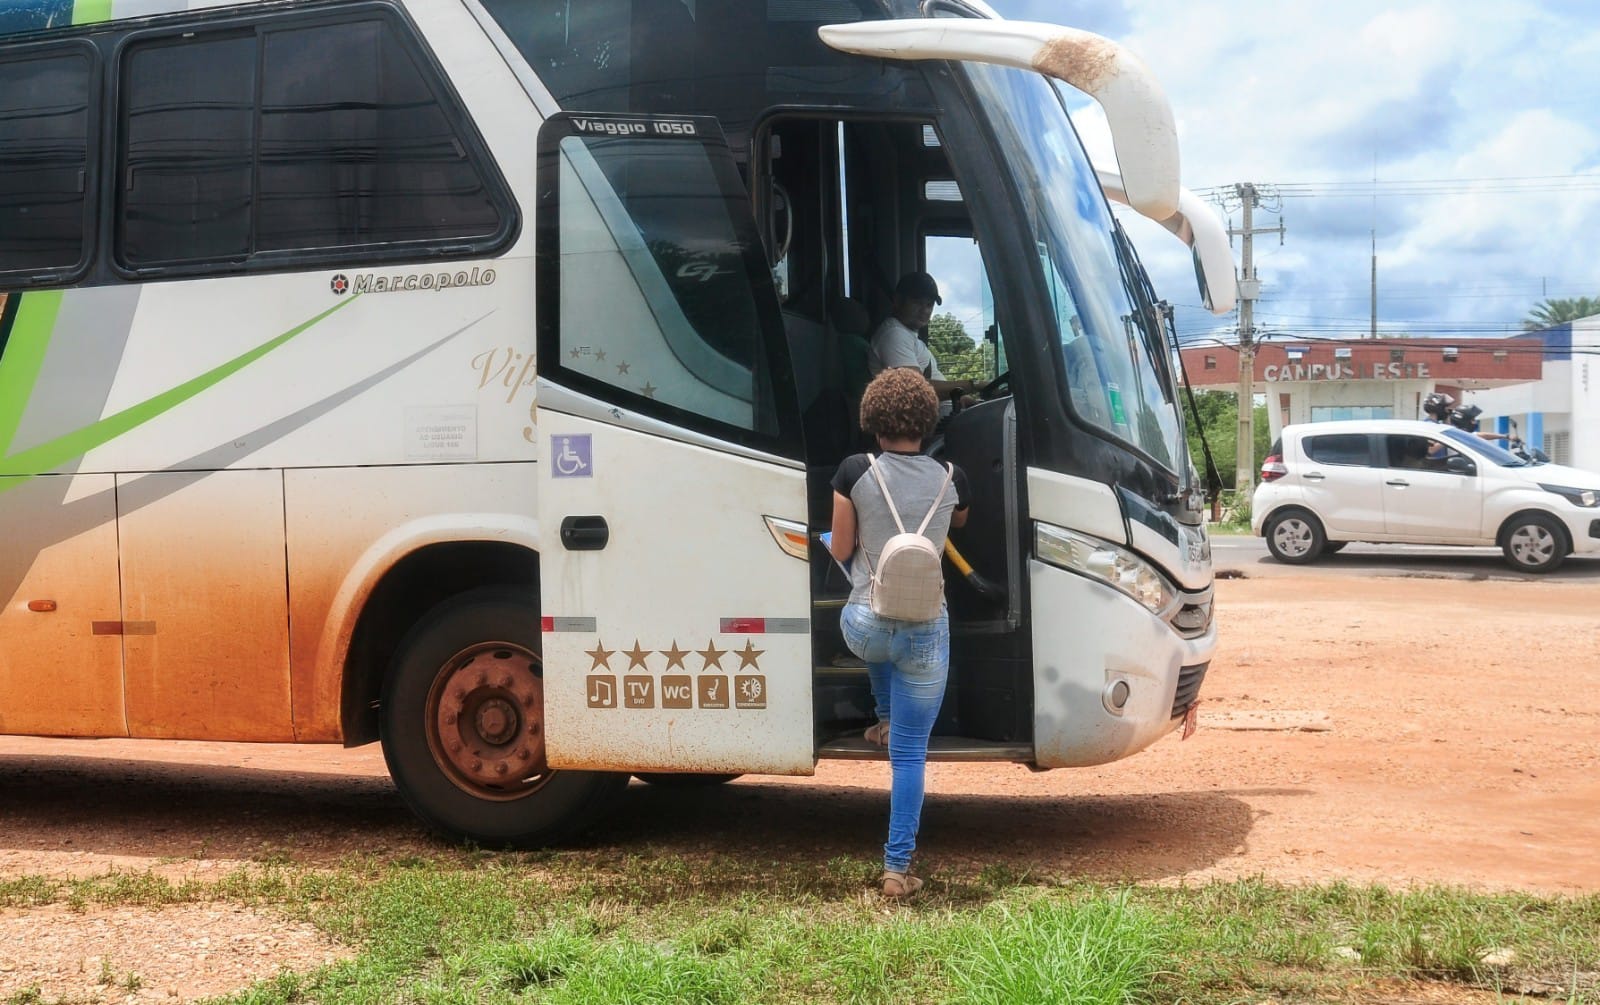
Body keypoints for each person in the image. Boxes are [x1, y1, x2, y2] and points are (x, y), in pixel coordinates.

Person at [827, 367, 971, 900]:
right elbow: (959, 523)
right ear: (926, 420)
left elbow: (842, 550)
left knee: (872, 612)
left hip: (864, 628)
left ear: (873, 421)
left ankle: (881, 716)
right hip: (925, 633)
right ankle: (896, 870)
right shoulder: (952, 476)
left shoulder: (852, 471)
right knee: (909, 757)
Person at [868, 271, 979, 416]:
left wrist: (962, 398)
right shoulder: (894, 334)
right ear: (898, 301)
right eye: (917, 302)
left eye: (929, 304)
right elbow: (916, 389)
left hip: (946, 418)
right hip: (926, 430)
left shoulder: (909, 336)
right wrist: (976, 385)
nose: (925, 310)